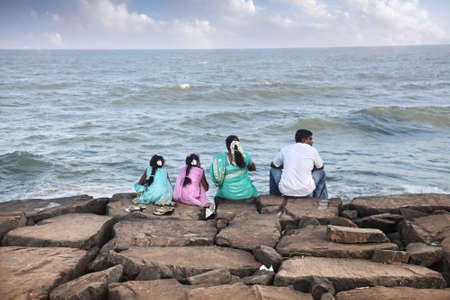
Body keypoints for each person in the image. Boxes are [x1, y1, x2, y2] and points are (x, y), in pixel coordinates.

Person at [270, 129, 328, 199]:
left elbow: (273, 165)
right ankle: (318, 199)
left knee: (273, 170)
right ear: (303, 140)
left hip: (286, 190)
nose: (312, 142)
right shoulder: (312, 150)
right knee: (321, 173)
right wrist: (310, 168)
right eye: (310, 139)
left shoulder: (286, 149)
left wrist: (287, 165)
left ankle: (274, 197)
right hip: (306, 191)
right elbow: (321, 167)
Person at [210, 135, 258, 200]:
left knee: (217, 197)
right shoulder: (245, 156)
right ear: (239, 145)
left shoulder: (221, 158)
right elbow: (253, 168)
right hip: (246, 193)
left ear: (227, 146)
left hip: (227, 194)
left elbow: (217, 178)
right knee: (253, 190)